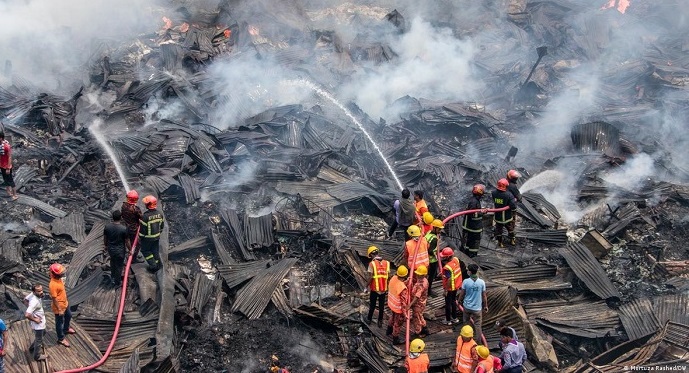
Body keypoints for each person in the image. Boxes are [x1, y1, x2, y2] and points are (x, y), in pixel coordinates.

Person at [458, 264, 487, 344]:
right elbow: (484, 295)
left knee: (466, 323)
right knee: (477, 325)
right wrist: (485, 306)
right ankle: (478, 342)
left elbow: (462, 293)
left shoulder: (466, 282)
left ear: (469, 272)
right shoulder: (481, 282)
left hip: (467, 306)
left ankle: (466, 339)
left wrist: (459, 301)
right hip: (477, 308)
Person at [49, 263, 75, 347]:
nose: (62, 274)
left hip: (65, 303)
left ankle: (66, 328)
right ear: (56, 274)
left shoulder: (58, 279)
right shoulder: (53, 284)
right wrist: (59, 309)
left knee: (69, 315)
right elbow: (54, 298)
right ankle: (61, 338)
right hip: (59, 307)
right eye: (61, 273)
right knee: (59, 322)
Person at [104, 210, 131, 286]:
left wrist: (105, 246)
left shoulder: (107, 227)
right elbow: (127, 241)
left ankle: (112, 278)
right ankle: (117, 282)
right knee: (119, 266)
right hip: (120, 250)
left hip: (111, 249)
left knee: (113, 263)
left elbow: (105, 238)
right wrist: (130, 250)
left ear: (113, 217)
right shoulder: (123, 229)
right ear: (121, 217)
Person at [366, 246, 389, 328]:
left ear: (371, 255)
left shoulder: (372, 264)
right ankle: (380, 321)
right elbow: (387, 275)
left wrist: (366, 286)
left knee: (372, 305)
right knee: (381, 306)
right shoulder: (387, 263)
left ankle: (369, 319)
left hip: (375, 289)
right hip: (384, 289)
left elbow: (370, 277)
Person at [139, 195, 164, 272]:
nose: (145, 204)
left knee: (145, 251)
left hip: (147, 238)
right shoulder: (160, 214)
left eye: (146, 203)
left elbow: (142, 230)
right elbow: (162, 227)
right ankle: (158, 264)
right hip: (157, 237)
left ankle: (153, 265)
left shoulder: (145, 216)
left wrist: (140, 238)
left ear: (148, 205)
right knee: (155, 250)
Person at [386, 265, 409, 345]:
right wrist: (405, 314)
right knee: (398, 323)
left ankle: (388, 330)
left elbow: (397, 285)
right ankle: (395, 339)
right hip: (398, 308)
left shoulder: (393, 278)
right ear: (406, 275)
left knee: (392, 317)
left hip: (392, 304)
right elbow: (403, 303)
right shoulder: (403, 288)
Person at [440, 247, 462, 326]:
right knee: (453, 302)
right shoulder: (456, 259)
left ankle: (448, 320)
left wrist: (445, 290)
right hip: (456, 285)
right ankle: (454, 318)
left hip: (450, 288)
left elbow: (449, 279)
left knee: (448, 304)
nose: (443, 257)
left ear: (448, 257)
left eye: (444, 256)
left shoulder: (447, 267)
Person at [491, 179, 517, 248]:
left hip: (498, 216)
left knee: (499, 230)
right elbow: (513, 206)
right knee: (510, 229)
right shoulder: (509, 195)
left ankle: (500, 243)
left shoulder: (493, 193)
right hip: (507, 217)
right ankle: (512, 240)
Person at [25, 284, 47, 361]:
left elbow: (25, 299)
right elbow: (27, 314)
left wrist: (30, 309)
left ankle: (32, 347)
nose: (41, 292)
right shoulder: (34, 302)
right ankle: (37, 356)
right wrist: (35, 319)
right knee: (39, 340)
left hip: (40, 322)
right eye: (39, 291)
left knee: (44, 333)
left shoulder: (31, 295)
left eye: (42, 290)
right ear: (34, 292)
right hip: (39, 324)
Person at [462, 184, 486, 257]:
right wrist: (481, 213)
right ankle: (472, 255)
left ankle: (467, 253)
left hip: (471, 227)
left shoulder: (474, 200)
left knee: (469, 242)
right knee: (473, 242)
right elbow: (472, 214)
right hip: (472, 228)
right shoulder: (474, 202)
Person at [121, 190, 143, 260]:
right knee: (137, 244)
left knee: (129, 242)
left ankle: (130, 252)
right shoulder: (135, 209)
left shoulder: (123, 205)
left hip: (126, 227)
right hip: (134, 229)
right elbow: (141, 217)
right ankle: (133, 258)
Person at [425, 219, 444, 294]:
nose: (440, 231)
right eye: (439, 229)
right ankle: (429, 290)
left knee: (427, 275)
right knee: (431, 276)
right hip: (432, 260)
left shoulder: (429, 233)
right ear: (435, 228)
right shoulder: (434, 239)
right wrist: (436, 256)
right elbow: (430, 251)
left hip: (426, 259)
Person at [409, 265, 429, 338]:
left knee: (416, 318)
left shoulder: (421, 285)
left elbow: (417, 297)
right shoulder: (424, 280)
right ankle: (425, 328)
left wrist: (410, 305)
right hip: (422, 303)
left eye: (419, 275)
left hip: (418, 304)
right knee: (420, 316)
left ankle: (418, 332)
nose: (417, 275)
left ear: (423, 275)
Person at [0, 132, 18, 201]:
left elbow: (10, 157)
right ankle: (8, 191)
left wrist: (8, 168)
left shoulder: (6, 146)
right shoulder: (0, 145)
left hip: (7, 166)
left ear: (1, 138)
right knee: (5, 179)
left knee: (10, 180)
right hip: (2, 165)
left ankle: (15, 195)